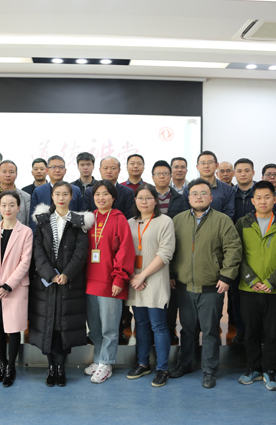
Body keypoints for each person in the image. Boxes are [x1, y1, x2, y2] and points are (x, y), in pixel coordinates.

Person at [169, 178, 241, 389]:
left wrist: (226, 276)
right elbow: (171, 249)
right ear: (188, 197)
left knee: (210, 331)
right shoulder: (178, 220)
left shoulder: (222, 220)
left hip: (211, 287)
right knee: (187, 329)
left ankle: (209, 370)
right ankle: (184, 364)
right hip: (184, 287)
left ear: (211, 197)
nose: (198, 197)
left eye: (203, 193)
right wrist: (171, 273)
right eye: (194, 193)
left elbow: (233, 249)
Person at [29, 181, 93, 387]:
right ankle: (51, 368)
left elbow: (81, 252)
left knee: (64, 326)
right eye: (57, 194)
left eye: (65, 194)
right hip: (47, 284)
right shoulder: (42, 220)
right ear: (52, 196)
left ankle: (61, 368)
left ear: (71, 196)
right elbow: (37, 251)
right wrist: (50, 274)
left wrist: (67, 274)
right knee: (48, 326)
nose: (61, 198)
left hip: (69, 283)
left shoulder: (79, 222)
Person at [235, 181, 276, 391]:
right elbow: (238, 254)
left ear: (274, 199)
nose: (263, 201)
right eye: (258, 198)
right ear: (252, 201)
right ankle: (253, 368)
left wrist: (271, 282)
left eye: (267, 197)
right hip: (248, 288)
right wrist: (251, 279)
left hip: (275, 289)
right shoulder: (242, 223)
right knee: (250, 331)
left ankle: (270, 370)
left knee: (273, 332)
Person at [0, 191, 33, 387]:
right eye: (3, 205)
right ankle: (2, 365)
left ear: (18, 207)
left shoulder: (26, 232)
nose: (7, 208)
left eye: (12, 205)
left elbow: (25, 261)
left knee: (14, 328)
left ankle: (11, 367)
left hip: (15, 288)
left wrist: (8, 285)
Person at [84, 180, 135, 384]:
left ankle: (106, 363)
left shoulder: (119, 219)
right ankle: (98, 359)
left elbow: (125, 251)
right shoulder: (89, 218)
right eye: (97, 194)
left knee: (110, 328)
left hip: (110, 282)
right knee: (95, 328)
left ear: (113, 197)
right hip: (89, 282)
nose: (101, 198)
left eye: (105, 194)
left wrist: (119, 278)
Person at [126, 184, 175, 388]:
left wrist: (142, 276)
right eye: (140, 198)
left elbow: (165, 253)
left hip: (154, 281)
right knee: (141, 324)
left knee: (159, 325)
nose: (144, 201)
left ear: (156, 201)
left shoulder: (165, 221)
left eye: (148, 198)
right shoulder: (129, 223)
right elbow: (123, 251)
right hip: (134, 281)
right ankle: (143, 363)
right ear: (135, 201)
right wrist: (132, 276)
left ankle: (162, 368)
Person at [151, 160, 189, 345]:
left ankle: (170, 329)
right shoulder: (146, 196)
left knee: (171, 296)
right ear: (152, 177)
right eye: (158, 174)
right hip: (150, 251)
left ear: (170, 176)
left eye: (165, 173)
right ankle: (153, 331)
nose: (162, 176)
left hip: (173, 251)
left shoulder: (180, 199)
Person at [230, 158, 257, 344]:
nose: (243, 174)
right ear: (234, 174)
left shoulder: (261, 193)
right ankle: (241, 330)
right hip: (234, 250)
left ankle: (258, 331)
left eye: (247, 170)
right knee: (236, 293)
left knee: (256, 292)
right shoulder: (230, 194)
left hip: (258, 249)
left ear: (253, 172)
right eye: (239, 171)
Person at [30, 155, 82, 231]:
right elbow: (33, 219)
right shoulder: (38, 191)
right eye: (53, 167)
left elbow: (80, 214)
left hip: (70, 233)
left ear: (65, 171)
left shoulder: (75, 190)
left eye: (60, 167)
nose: (57, 170)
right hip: (45, 234)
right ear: (47, 171)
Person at [183, 151, 235, 219]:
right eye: (203, 163)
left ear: (217, 165)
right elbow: (185, 214)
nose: (206, 166)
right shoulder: (188, 188)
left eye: (210, 162)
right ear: (197, 167)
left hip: (219, 225)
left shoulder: (227, 189)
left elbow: (229, 215)